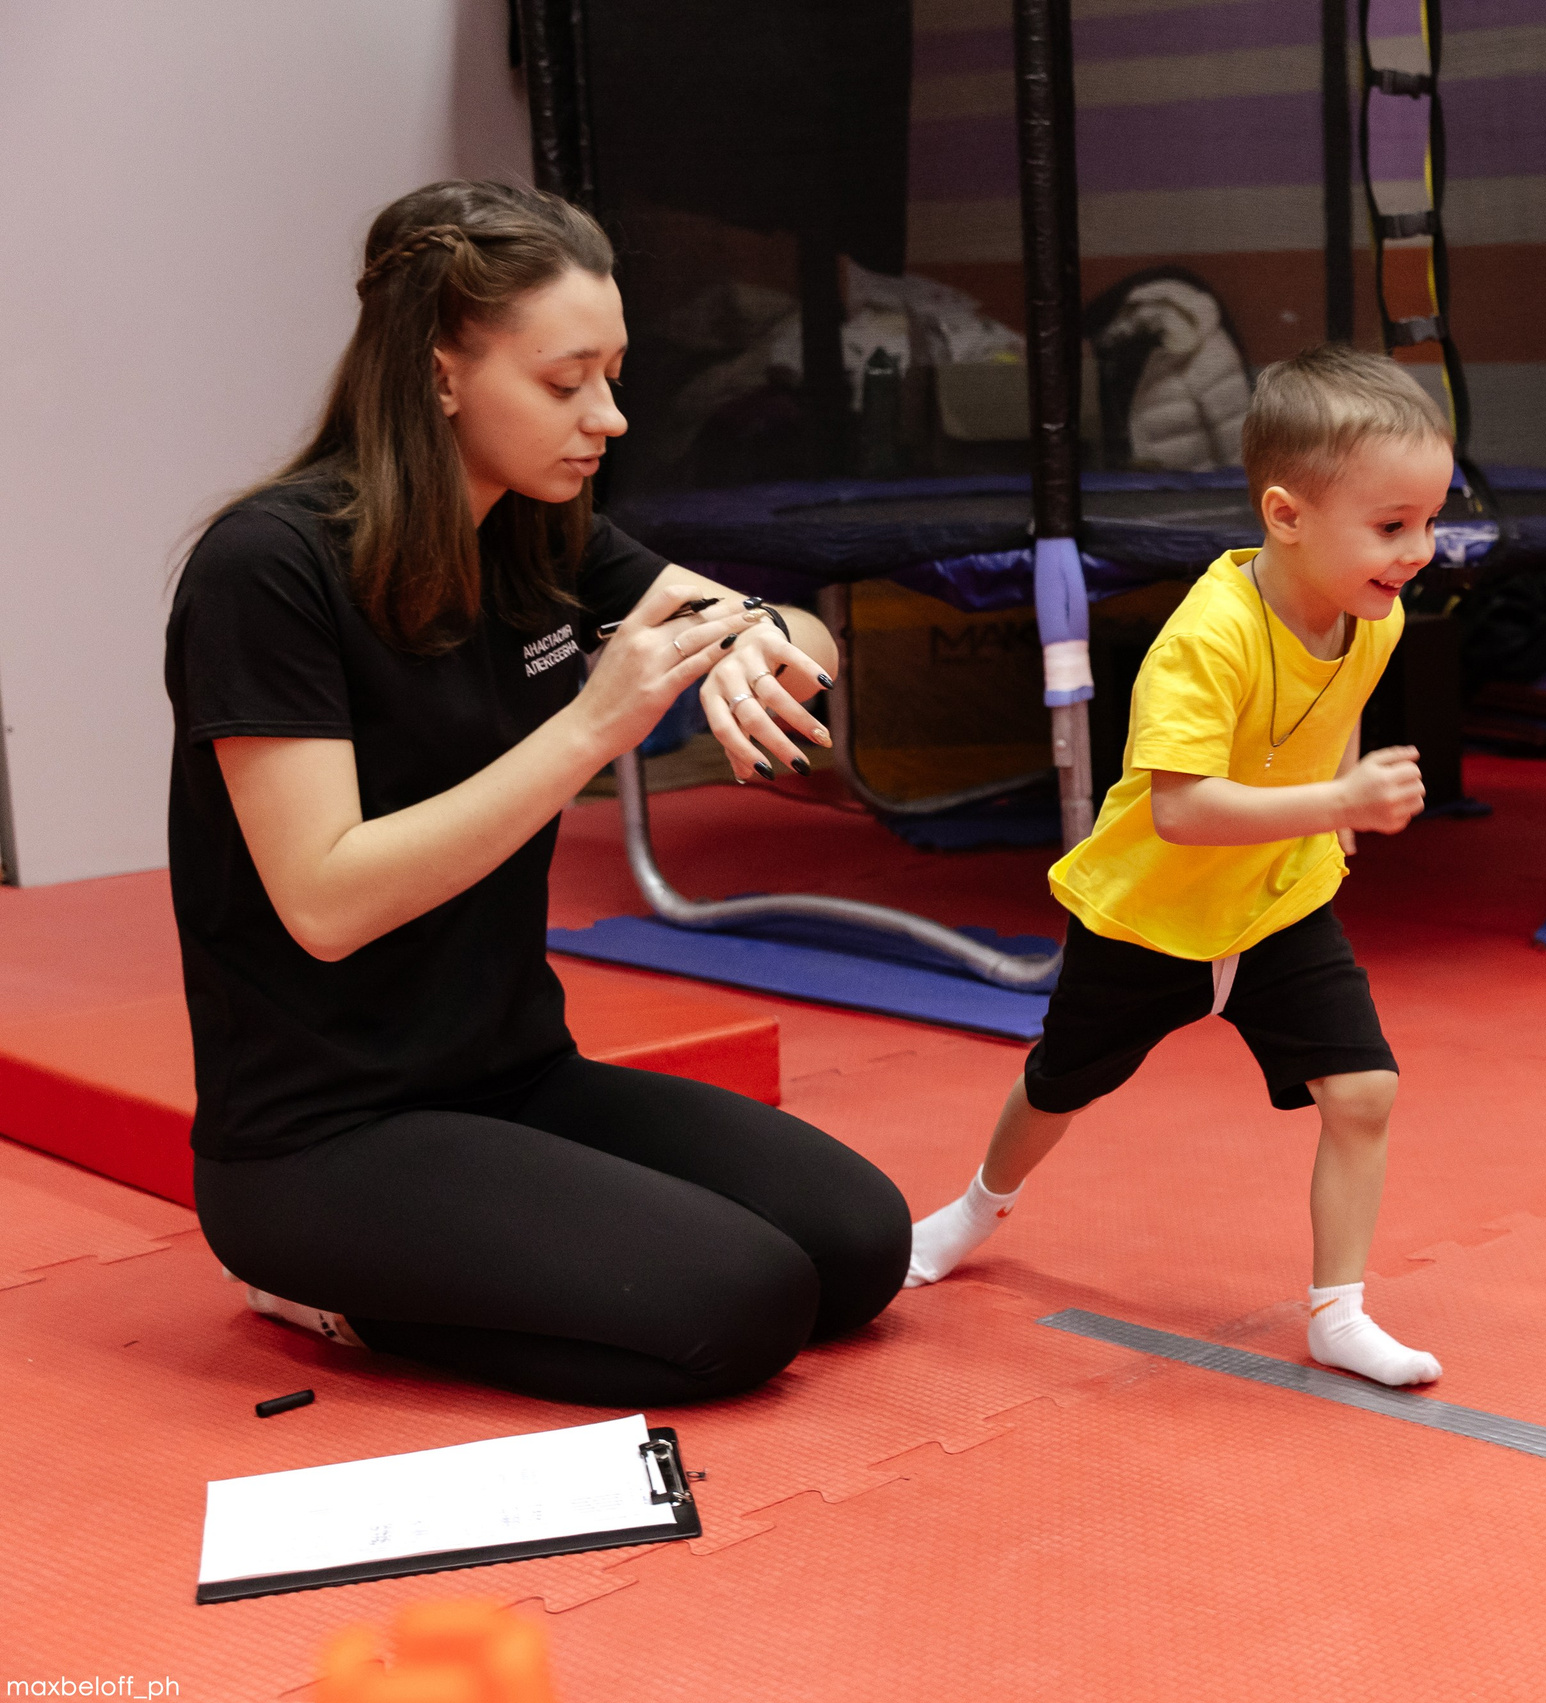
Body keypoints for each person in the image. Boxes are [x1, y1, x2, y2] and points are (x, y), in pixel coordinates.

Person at [166, 180, 909, 1408]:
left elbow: (782, 625)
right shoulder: (268, 569)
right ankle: (332, 1295)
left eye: (611, 378)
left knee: (856, 1241)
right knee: (745, 1309)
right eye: (566, 385)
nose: (606, 417)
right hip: (321, 1137)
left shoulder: (538, 531)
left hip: (513, 1079)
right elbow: (326, 900)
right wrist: (590, 727)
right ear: (441, 373)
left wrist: (758, 650)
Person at [903, 345, 1446, 1387]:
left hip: (1277, 906)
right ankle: (977, 1207)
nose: (1417, 550)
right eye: (1391, 526)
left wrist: (1326, 809)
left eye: (1426, 520)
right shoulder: (1207, 641)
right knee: (1060, 1085)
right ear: (1285, 516)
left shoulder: (1373, 612)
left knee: (1364, 1090)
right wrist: (1341, 801)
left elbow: (1339, 710)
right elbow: (1183, 811)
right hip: (1147, 915)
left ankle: (1337, 1309)